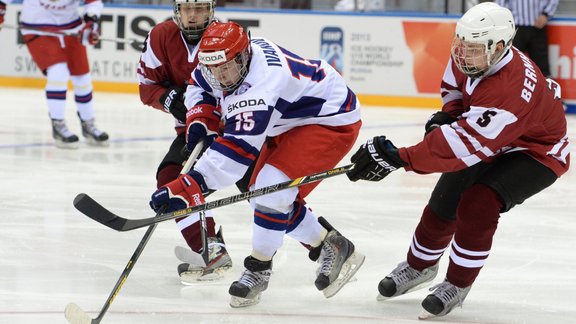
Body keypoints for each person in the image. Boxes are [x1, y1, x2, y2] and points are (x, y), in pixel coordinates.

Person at [347, 2, 569, 319]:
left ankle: (457, 284)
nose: (464, 54)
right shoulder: (473, 55)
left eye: (474, 49)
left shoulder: (509, 89)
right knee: (446, 196)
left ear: (502, 47)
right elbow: (454, 91)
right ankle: (418, 266)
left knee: (479, 202)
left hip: (537, 151)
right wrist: (448, 116)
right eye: (462, 45)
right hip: (499, 136)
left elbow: (459, 147)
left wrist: (400, 158)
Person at [149, 21, 365, 308]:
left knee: (269, 191)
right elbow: (198, 84)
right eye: (213, 68)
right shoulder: (225, 58)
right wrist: (200, 118)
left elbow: (236, 155)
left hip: (329, 119)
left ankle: (258, 268)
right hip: (289, 118)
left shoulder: (261, 85)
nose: (220, 75)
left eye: (226, 67)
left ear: (243, 57)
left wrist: (190, 184)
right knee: (262, 195)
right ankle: (331, 245)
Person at [137, 0, 236, 284]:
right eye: (187, 8)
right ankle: (210, 249)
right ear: (177, 10)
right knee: (171, 178)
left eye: (201, 8)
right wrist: (167, 99)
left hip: (238, 130)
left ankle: (322, 242)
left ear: (211, 9)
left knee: (263, 186)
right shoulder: (160, 36)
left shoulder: (226, 36)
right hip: (190, 132)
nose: (194, 15)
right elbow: (147, 88)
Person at [0, 0, 109, 149]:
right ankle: (58, 125)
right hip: (36, 27)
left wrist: (91, 20)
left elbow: (93, 2)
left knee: (82, 77)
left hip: (71, 26)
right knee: (58, 72)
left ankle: (88, 123)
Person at [495, 0, 559, 77]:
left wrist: (546, 14)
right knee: (511, 64)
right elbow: (500, 2)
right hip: (515, 27)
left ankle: (546, 87)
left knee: (542, 66)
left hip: (538, 26)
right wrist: (507, 18)